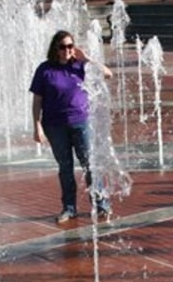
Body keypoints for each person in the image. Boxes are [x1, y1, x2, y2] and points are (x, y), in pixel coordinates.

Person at [30, 30, 113, 224]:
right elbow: (37, 100)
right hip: (54, 126)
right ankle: (69, 208)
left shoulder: (80, 66)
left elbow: (108, 74)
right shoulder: (45, 70)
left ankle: (101, 204)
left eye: (70, 46)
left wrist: (88, 58)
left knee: (89, 165)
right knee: (65, 167)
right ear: (55, 49)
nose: (67, 50)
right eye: (63, 47)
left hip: (81, 122)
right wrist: (37, 126)